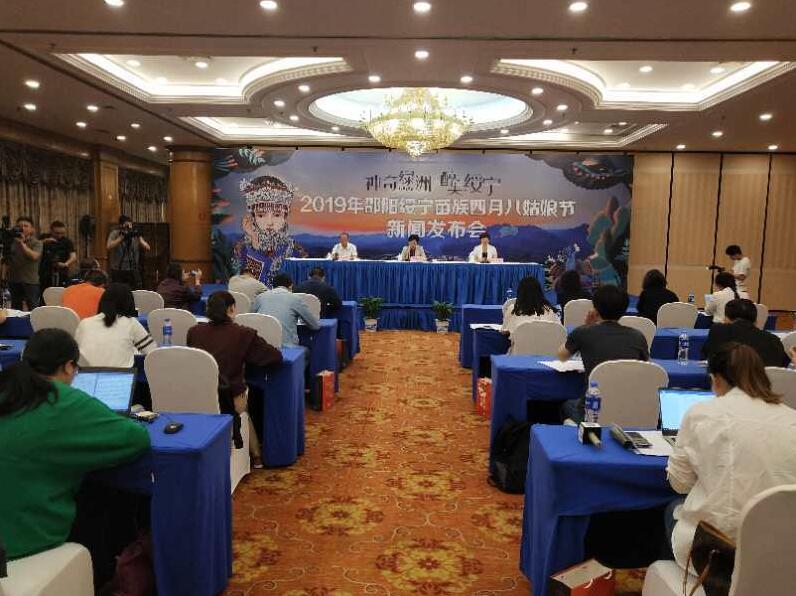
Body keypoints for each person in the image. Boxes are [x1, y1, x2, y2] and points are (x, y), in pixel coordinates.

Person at [0, 328, 150, 562]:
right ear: (69, 366)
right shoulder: (64, 401)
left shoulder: (8, 388)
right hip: (23, 543)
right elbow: (137, 439)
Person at [665, 342, 796, 569]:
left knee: (672, 508)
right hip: (781, 552)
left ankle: (677, 582)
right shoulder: (792, 418)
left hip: (719, 552)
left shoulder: (701, 413)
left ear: (716, 380)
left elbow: (680, 484)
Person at [187, 291, 283, 467]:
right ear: (231, 309)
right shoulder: (243, 333)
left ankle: (254, 454)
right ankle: (256, 456)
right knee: (243, 405)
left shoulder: (194, 332)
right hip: (231, 399)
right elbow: (274, 357)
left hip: (198, 396)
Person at [557, 285, 649, 423]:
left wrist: (586, 325)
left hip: (592, 411)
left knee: (565, 405)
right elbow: (646, 367)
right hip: (629, 411)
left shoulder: (583, 332)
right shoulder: (638, 337)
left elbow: (561, 356)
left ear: (595, 309)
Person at [233, 175, 306, 285]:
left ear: (285, 217)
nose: (270, 222)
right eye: (261, 215)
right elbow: (249, 284)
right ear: (253, 217)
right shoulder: (242, 249)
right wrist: (255, 241)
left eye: (277, 215)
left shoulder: (294, 250)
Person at [75, 283, 156, 367]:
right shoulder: (130, 323)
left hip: (86, 374)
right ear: (129, 303)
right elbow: (152, 352)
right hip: (121, 374)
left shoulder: (84, 323)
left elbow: (76, 354)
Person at [701, 298, 789, 367]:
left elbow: (707, 355)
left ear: (726, 318)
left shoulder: (719, 331)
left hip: (730, 383)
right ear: (755, 321)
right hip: (765, 384)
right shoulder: (774, 340)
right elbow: (782, 366)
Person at [252, 273, 320, 347]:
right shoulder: (295, 299)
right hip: (287, 347)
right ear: (290, 286)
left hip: (261, 346)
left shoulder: (260, 297)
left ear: (272, 286)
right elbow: (315, 325)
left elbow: (249, 318)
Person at [501, 276, 559, 353]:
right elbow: (559, 330)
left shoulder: (513, 309)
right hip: (548, 355)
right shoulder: (550, 310)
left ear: (520, 292)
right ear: (540, 292)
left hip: (519, 355)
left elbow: (504, 331)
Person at [3, 216, 42, 310]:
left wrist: (21, 243)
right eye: (19, 226)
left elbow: (34, 256)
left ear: (32, 229)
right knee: (15, 308)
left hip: (30, 281)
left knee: (33, 307)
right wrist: (3, 277)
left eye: (26, 226)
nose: (22, 228)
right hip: (13, 280)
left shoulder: (37, 243)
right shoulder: (11, 242)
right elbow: (6, 261)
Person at [106, 215, 150, 289]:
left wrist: (139, 237)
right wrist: (121, 238)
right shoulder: (115, 233)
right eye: (126, 226)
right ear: (120, 225)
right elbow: (108, 246)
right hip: (118, 269)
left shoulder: (134, 234)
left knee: (134, 290)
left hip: (132, 269)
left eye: (130, 225)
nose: (128, 228)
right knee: (119, 290)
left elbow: (147, 248)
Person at [39, 220, 77, 290]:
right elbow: (34, 246)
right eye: (57, 233)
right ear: (51, 231)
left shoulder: (67, 241)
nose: (59, 235)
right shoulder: (43, 237)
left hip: (61, 271)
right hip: (44, 271)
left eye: (62, 233)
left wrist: (66, 264)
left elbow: (73, 256)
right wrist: (44, 241)